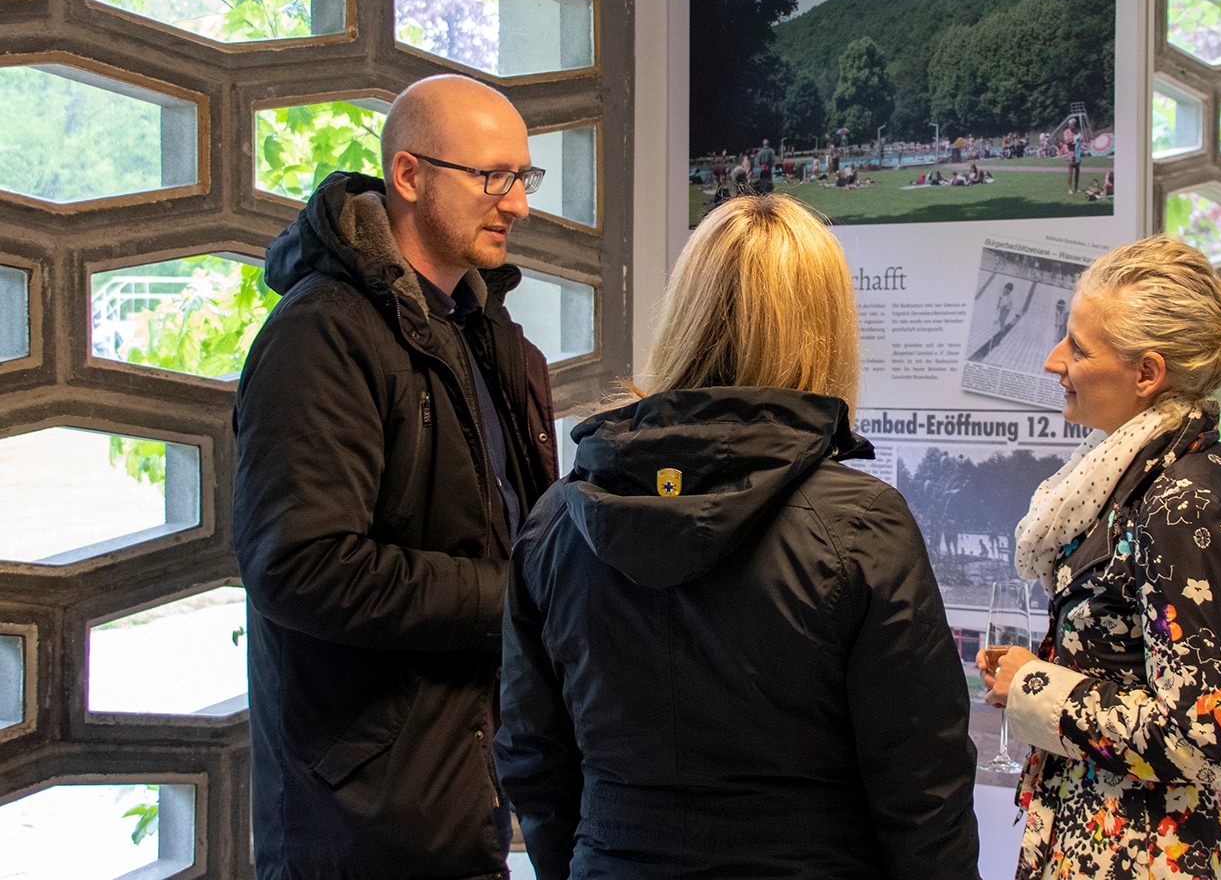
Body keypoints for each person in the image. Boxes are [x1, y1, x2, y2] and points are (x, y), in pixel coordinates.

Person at [496, 193, 981, 880]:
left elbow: (531, 754)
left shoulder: (558, 521)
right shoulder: (861, 524)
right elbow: (922, 787)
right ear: (827, 329)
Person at [234, 74, 560, 880]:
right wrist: (515, 596)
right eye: (492, 177)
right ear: (409, 176)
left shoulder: (487, 332)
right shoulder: (322, 333)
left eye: (524, 177)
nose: (517, 203)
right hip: (358, 824)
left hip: (464, 792)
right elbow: (301, 566)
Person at [978, 234, 1221, 880]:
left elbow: (1197, 737)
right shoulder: (1145, 477)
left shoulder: (1184, 503)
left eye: (1079, 348)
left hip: (1150, 856)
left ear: (1147, 373)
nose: (1055, 360)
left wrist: (1036, 685)